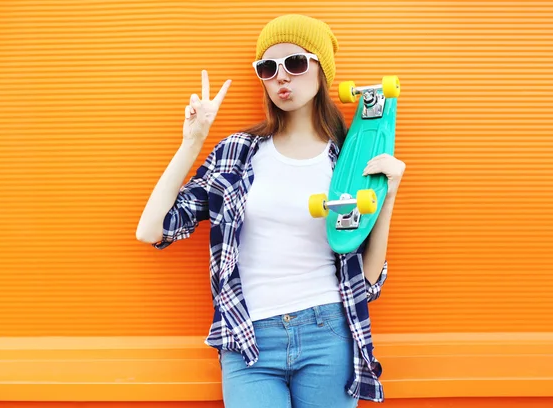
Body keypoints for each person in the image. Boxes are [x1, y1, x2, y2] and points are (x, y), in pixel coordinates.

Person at [136, 14, 405, 408]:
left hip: (327, 331)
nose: (282, 77)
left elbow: (367, 283)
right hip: (248, 338)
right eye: (268, 68)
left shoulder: (349, 158)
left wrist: (389, 195)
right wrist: (192, 142)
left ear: (321, 72)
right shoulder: (237, 153)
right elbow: (151, 230)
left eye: (295, 63)